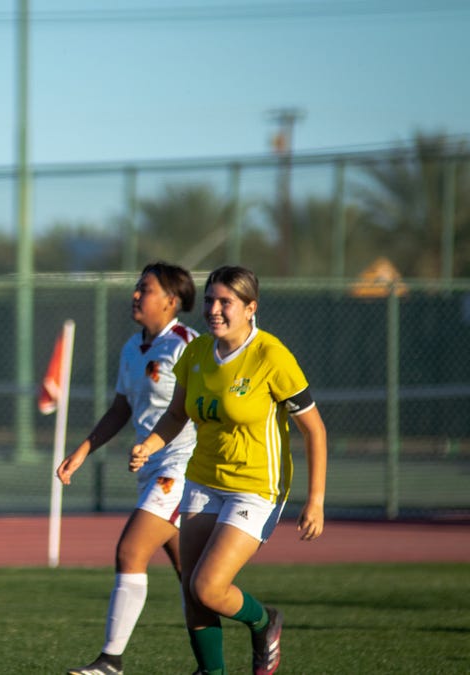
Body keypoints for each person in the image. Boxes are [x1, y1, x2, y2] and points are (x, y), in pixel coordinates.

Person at [129, 265, 327, 675]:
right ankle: (210, 671)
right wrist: (149, 445)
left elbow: (314, 429)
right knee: (191, 590)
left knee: (208, 586)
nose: (214, 310)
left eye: (226, 302)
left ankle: (264, 621)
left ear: (251, 308)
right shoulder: (198, 351)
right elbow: (178, 412)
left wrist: (316, 501)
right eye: (209, 301)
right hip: (203, 479)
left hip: (257, 488)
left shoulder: (271, 356)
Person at [56, 262, 199, 675]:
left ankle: (110, 661)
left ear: (171, 301)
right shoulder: (130, 348)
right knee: (193, 577)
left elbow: (193, 410)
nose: (136, 295)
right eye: (137, 288)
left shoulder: (187, 346)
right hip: (148, 470)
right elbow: (121, 408)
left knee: (130, 550)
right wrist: (83, 450)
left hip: (181, 467)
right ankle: (254, 629)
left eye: (146, 289)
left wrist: (158, 445)